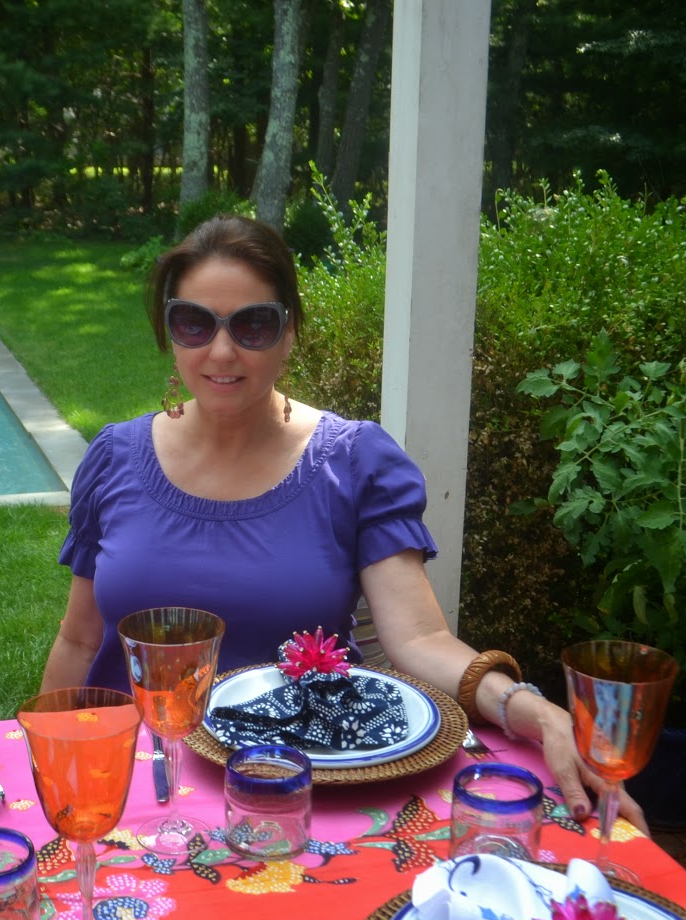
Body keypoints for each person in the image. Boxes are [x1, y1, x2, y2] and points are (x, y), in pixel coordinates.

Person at [41, 214, 646, 833]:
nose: (221, 351)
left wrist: (532, 709)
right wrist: (40, 764)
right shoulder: (114, 458)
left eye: (253, 324)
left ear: (290, 333)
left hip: (303, 789)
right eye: (194, 323)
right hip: (129, 788)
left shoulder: (354, 463)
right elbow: (80, 641)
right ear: (170, 332)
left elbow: (418, 640)